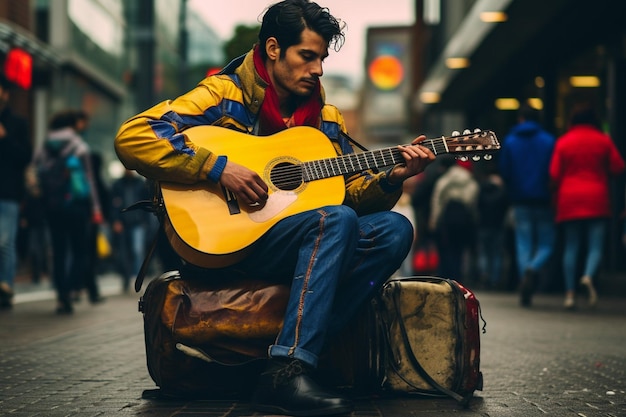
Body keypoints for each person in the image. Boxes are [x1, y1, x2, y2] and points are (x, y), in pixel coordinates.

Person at [114, 1, 435, 415]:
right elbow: (134, 136)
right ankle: (288, 370)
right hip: (223, 245)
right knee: (333, 221)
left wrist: (392, 178)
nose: (317, 69)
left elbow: (345, 195)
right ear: (272, 49)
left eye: (321, 58)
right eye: (307, 56)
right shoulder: (222, 94)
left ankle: (287, 358)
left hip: (298, 244)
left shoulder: (325, 118)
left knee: (394, 228)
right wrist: (217, 168)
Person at [549, 103, 625, 309]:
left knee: (571, 246)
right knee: (595, 245)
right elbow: (618, 167)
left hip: (570, 199)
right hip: (597, 198)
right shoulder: (603, 141)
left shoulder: (563, 142)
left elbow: (554, 173)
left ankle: (570, 294)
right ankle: (588, 275)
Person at [34, 110, 103, 314]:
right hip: (76, 205)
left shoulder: (45, 145)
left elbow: (36, 169)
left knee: (58, 251)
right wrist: (96, 208)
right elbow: (89, 179)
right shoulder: (79, 146)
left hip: (52, 205)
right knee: (80, 251)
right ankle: (73, 286)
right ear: (72, 125)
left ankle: (62, 296)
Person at [499, 103, 556, 307]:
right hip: (544, 198)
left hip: (519, 199)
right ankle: (535, 267)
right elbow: (554, 170)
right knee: (547, 242)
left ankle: (525, 274)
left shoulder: (511, 141)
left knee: (523, 242)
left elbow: (505, 170)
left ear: (520, 119)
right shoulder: (549, 140)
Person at [0, 74, 32, 310]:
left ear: (5, 94)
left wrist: (6, 138)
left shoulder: (17, 123)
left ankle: (6, 287)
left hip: (8, 193)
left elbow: (25, 157)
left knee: (4, 243)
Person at [428, 156, 479, 283]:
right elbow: (473, 200)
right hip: (463, 219)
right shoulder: (469, 179)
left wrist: (434, 221)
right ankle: (458, 277)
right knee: (459, 250)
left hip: (447, 219)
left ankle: (446, 278)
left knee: (446, 249)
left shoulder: (445, 179)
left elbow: (437, 200)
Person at [110, 169, 151, 292]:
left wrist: (146, 220)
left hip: (138, 222)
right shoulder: (117, 185)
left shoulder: (140, 184)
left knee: (137, 250)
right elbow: (113, 205)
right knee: (124, 253)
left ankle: (135, 277)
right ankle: (126, 278)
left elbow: (146, 203)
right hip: (123, 223)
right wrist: (115, 220)